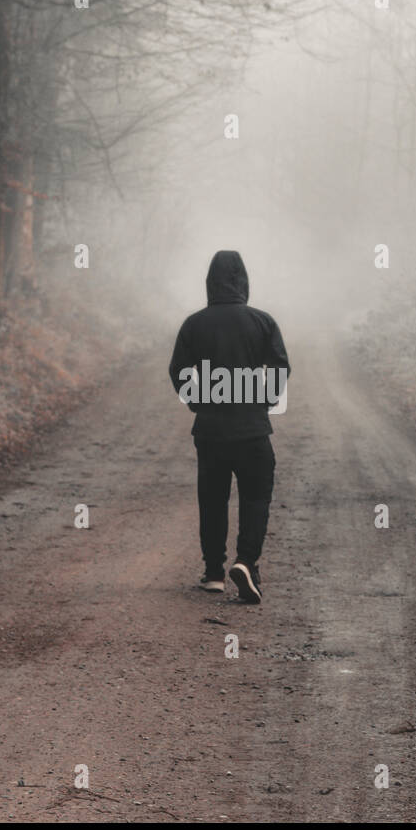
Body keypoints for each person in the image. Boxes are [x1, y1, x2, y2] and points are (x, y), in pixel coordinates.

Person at [168, 250, 291, 604]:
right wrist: (263, 399)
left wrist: (198, 401)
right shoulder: (262, 322)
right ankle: (246, 562)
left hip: (210, 432)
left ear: (210, 281)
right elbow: (281, 366)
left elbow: (178, 370)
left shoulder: (194, 324)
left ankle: (213, 573)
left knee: (212, 499)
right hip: (253, 430)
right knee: (256, 497)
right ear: (244, 281)